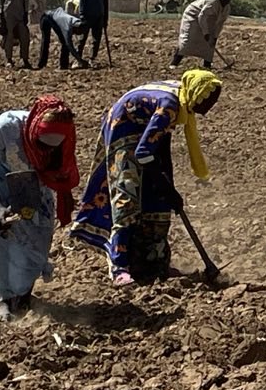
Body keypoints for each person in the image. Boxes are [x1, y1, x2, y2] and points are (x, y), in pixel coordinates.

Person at [72, 72, 223, 285]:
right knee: (127, 195)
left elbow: (161, 147)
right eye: (207, 101)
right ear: (196, 94)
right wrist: (166, 187)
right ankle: (120, 267)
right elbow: (143, 152)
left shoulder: (181, 102)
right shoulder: (170, 105)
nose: (208, 109)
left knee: (158, 199)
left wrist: (167, 187)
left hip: (143, 134)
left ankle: (154, 262)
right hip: (123, 131)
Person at [0, 93, 78, 319]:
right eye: (41, 144)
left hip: (35, 183)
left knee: (39, 234)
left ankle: (25, 291)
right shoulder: (5, 128)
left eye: (51, 147)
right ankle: (5, 298)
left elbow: (60, 167)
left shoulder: (63, 140)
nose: (45, 150)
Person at [175, 0, 234, 70]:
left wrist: (214, 37)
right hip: (193, 16)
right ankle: (174, 63)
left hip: (209, 20)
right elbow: (202, 17)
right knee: (189, 39)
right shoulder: (212, 2)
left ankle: (207, 65)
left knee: (209, 45)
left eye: (227, 0)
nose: (225, 2)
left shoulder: (227, 8)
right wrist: (206, 34)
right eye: (224, 0)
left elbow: (219, 24)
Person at [35, 0, 86, 71]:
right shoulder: (67, 27)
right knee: (46, 41)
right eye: (76, 32)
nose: (75, 34)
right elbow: (70, 45)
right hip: (46, 17)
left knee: (64, 43)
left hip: (56, 16)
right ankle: (42, 64)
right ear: (75, 28)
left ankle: (64, 65)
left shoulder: (76, 21)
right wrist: (80, 60)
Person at [78, 0, 112, 66]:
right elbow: (82, 0)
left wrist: (105, 19)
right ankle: (78, 58)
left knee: (96, 39)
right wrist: (82, 14)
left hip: (99, 17)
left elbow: (105, 4)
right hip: (87, 16)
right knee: (82, 38)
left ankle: (92, 58)